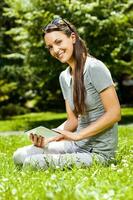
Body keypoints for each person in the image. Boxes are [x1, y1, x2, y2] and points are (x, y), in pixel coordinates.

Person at [13, 18, 121, 169]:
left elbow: (114, 113)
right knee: (19, 155)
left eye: (59, 42)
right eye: (50, 47)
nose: (55, 50)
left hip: (98, 153)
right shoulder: (64, 77)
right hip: (76, 146)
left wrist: (78, 135)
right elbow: (73, 121)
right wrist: (49, 137)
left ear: (73, 37)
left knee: (33, 163)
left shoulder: (95, 68)